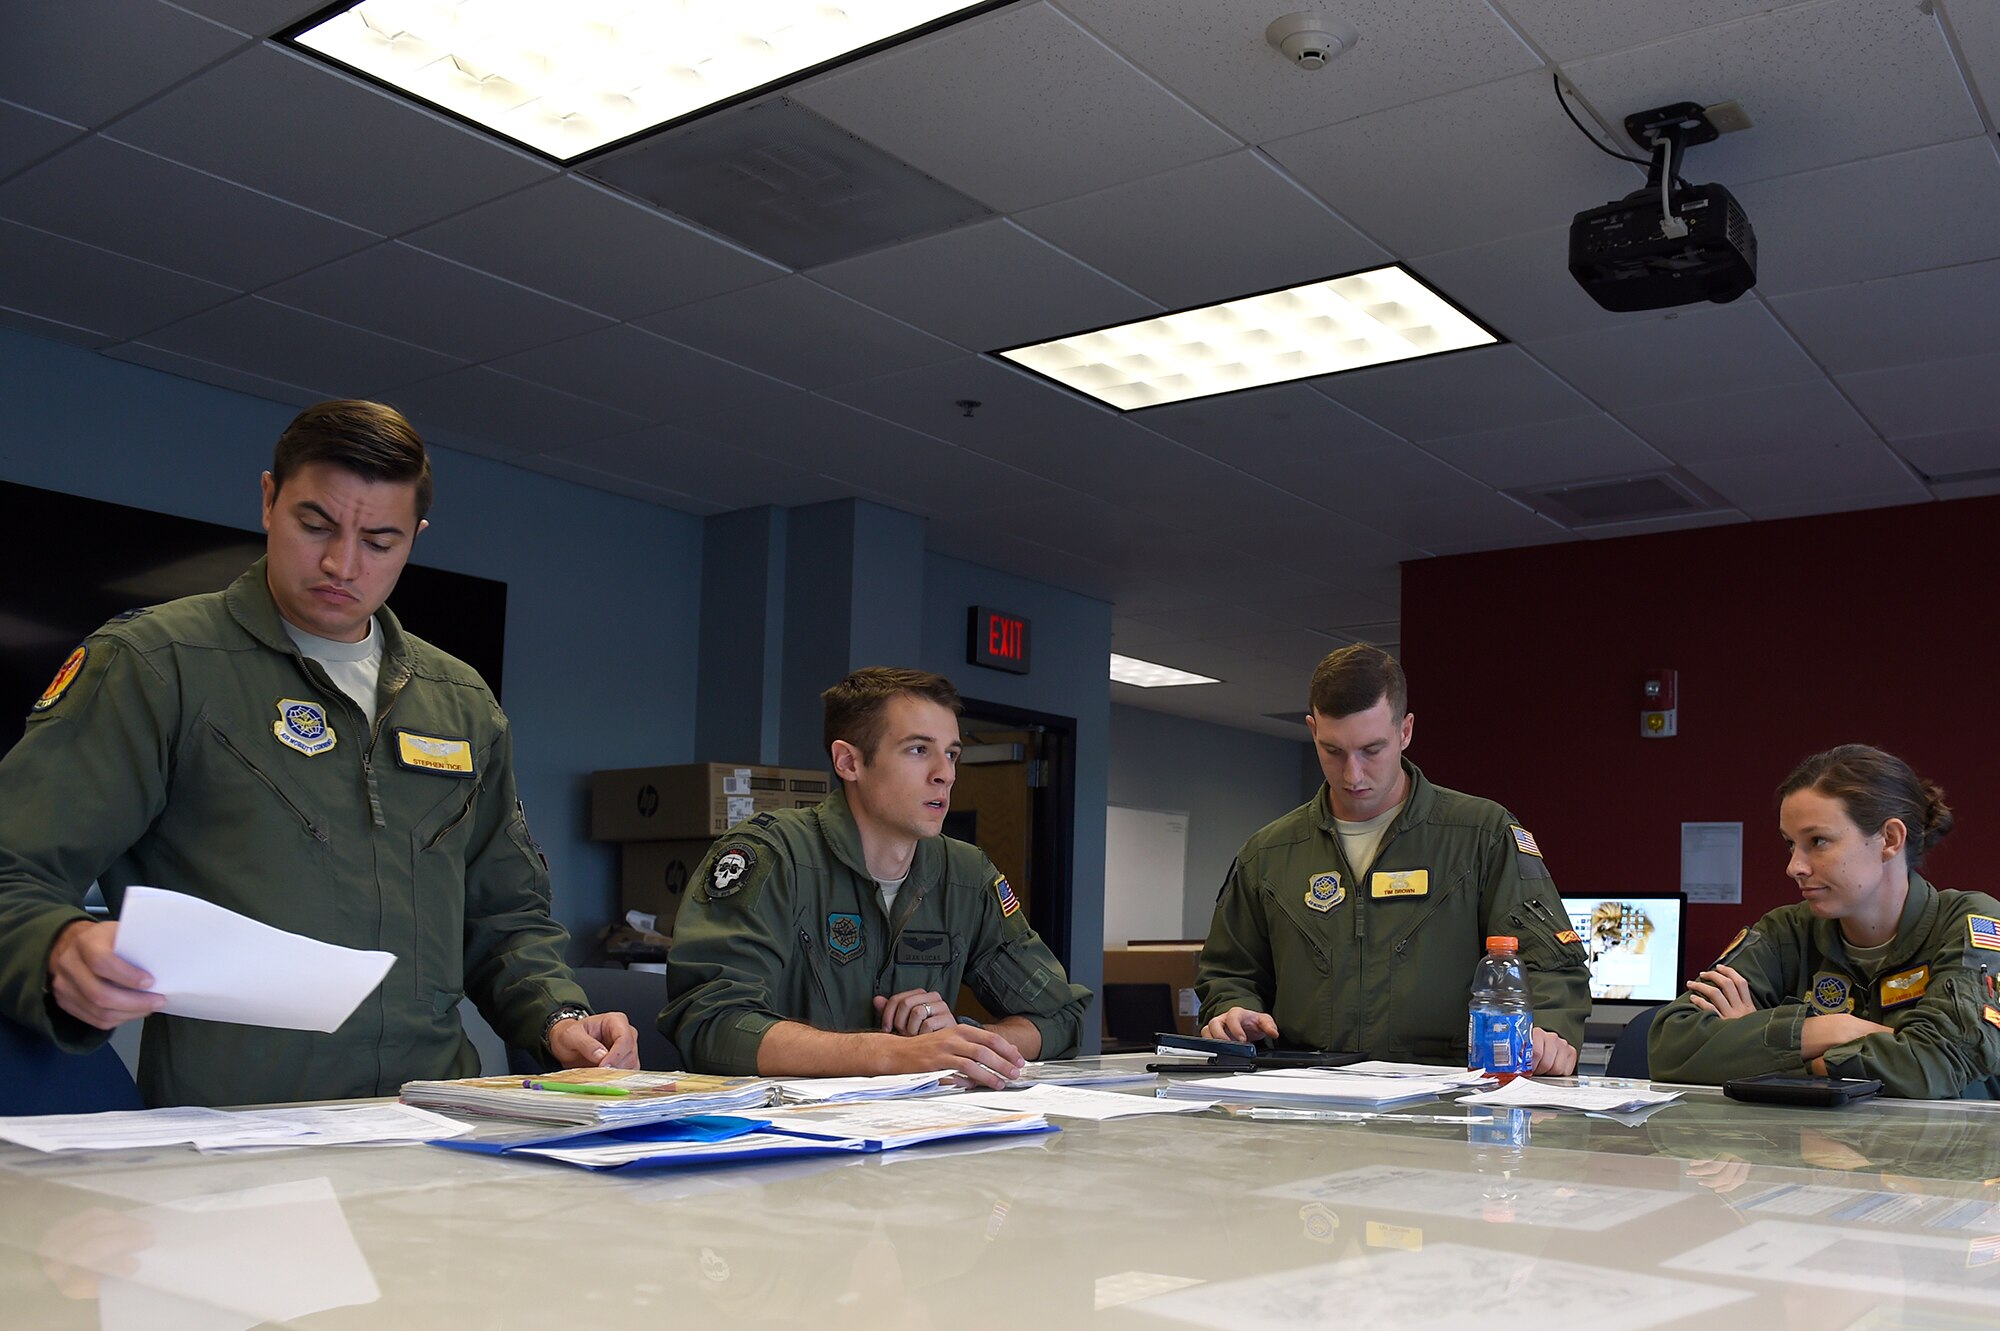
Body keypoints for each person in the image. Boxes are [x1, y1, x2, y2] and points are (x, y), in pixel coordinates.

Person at [0, 400, 636, 1107]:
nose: (342, 563)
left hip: (430, 1123)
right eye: (316, 525)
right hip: (236, 1133)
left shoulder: (459, 701)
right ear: (269, 499)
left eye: (380, 540)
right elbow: (13, 870)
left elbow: (506, 916)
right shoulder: (157, 665)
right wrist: (57, 946)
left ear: (415, 537)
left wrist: (560, 1015)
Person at [662, 667, 1090, 1088]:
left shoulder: (966, 873)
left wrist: (963, 1043)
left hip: (920, 1132)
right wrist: (890, 1055)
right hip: (784, 1135)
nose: (946, 773)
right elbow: (711, 1023)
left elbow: (1061, 1016)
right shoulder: (773, 854)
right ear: (849, 762)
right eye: (919, 750)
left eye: (952, 753)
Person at [1196, 644, 1589, 1071]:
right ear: (1312, 731)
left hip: (1446, 1094)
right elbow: (1229, 973)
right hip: (1308, 1093)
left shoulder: (1482, 834)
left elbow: (1552, 964)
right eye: (1333, 751)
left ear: (1405, 731)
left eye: (1372, 749)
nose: (1353, 775)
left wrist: (1549, 1029)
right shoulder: (1268, 854)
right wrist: (1231, 1011)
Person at [1649, 744, 2000, 1098]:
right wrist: (1836, 1028)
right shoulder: (1786, 931)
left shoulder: (1969, 922)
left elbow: (1931, 1066)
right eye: (1790, 844)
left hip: (1940, 1150)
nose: (1794, 867)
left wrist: (1760, 1045)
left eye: (1818, 841)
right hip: (1803, 1147)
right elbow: (1671, 1046)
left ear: (1890, 840)